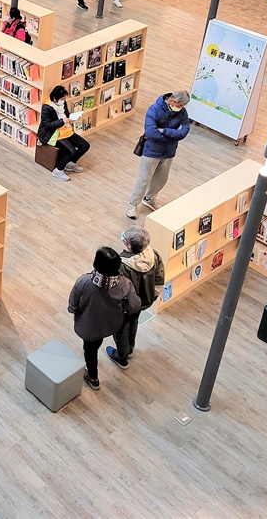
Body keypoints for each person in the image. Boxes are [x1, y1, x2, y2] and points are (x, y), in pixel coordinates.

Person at [68, 247, 141, 390]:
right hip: (114, 322)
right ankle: (122, 359)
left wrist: (74, 310)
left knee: (90, 351)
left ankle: (93, 378)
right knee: (120, 337)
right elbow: (134, 305)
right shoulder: (125, 284)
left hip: (90, 326)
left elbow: (73, 301)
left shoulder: (84, 281)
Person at [106, 227, 165, 368]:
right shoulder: (154, 256)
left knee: (121, 329)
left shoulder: (121, 266)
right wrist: (151, 297)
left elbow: (117, 291)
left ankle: (122, 357)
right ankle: (130, 348)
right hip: (143, 302)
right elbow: (159, 279)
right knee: (134, 322)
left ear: (129, 245)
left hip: (126, 307)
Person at [127, 90, 190, 219]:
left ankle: (149, 198)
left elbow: (184, 132)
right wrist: (173, 135)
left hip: (169, 152)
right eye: (179, 105)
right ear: (172, 101)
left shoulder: (182, 113)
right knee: (144, 179)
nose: (181, 108)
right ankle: (133, 204)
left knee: (162, 178)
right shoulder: (154, 109)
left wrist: (164, 131)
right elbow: (151, 133)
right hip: (151, 151)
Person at [37, 85, 90, 181]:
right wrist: (62, 121)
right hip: (54, 134)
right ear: (54, 98)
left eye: (64, 98)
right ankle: (58, 170)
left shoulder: (63, 103)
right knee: (72, 150)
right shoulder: (47, 107)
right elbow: (47, 125)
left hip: (67, 130)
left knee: (85, 145)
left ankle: (70, 164)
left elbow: (67, 114)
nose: (64, 100)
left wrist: (72, 117)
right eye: (62, 98)